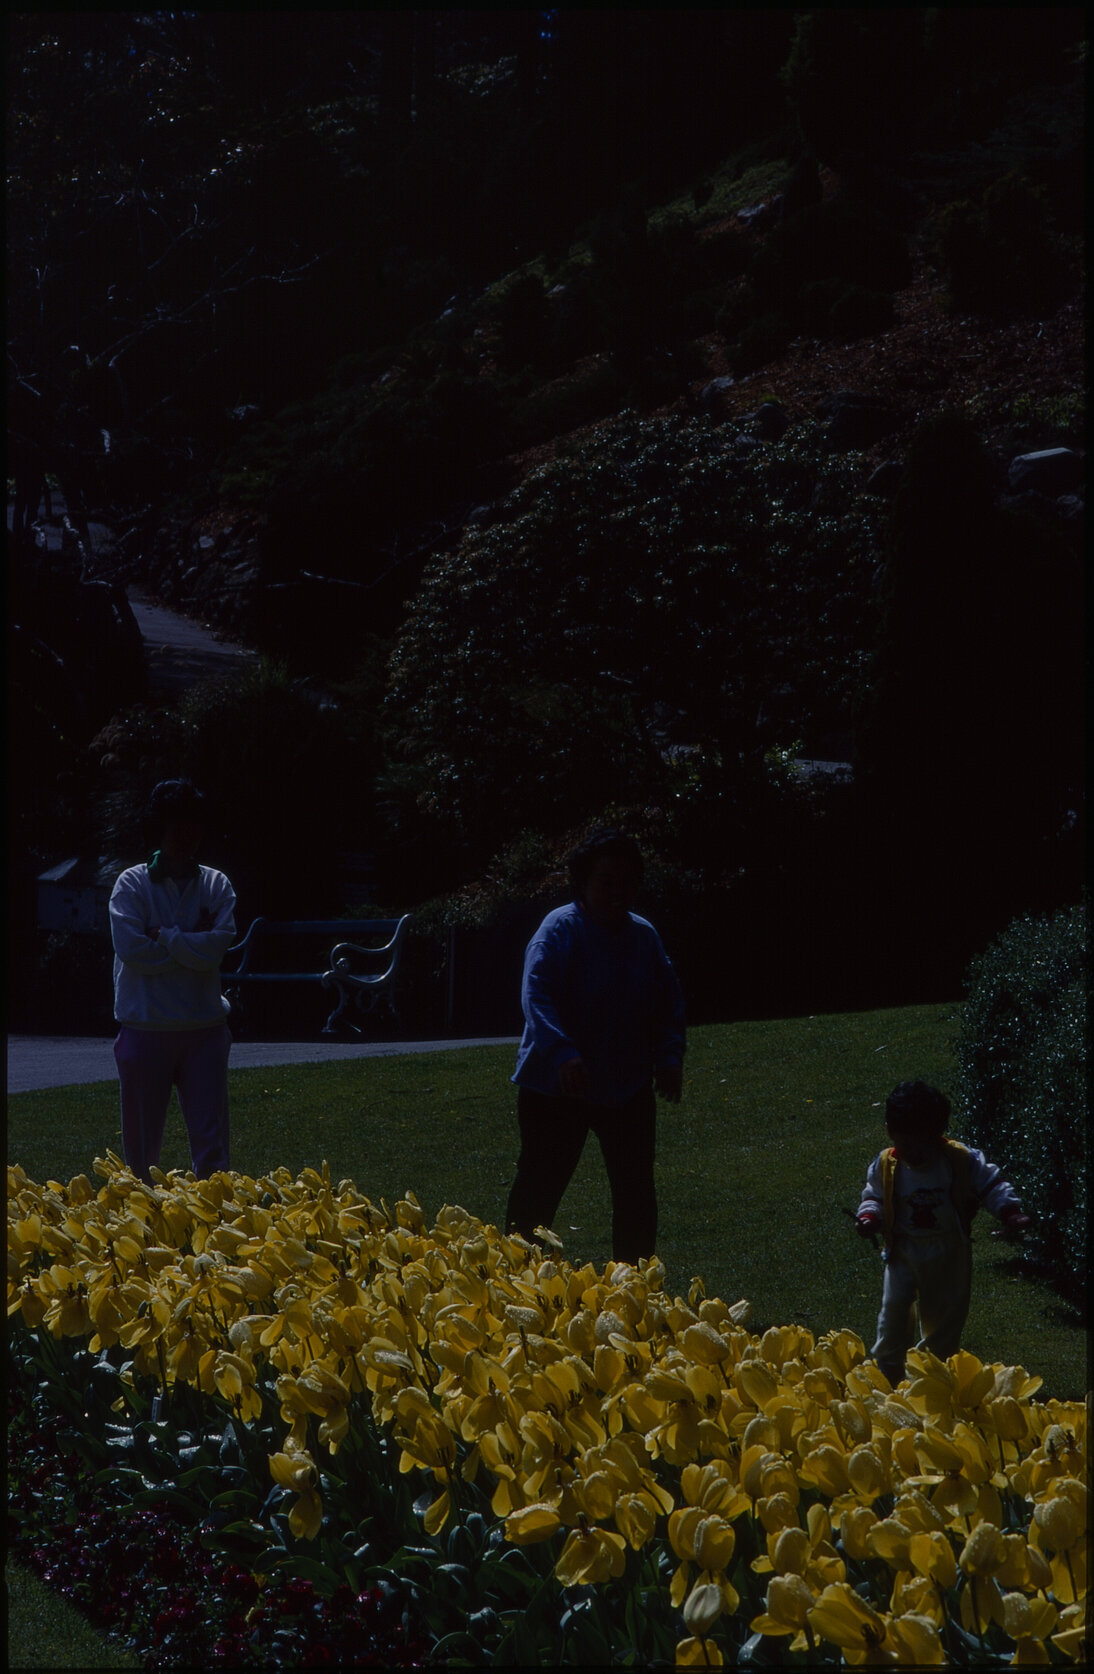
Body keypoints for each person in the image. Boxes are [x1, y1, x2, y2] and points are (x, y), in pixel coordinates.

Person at [505, 829, 685, 1263]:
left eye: (626, 882)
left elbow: (668, 1002)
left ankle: (634, 1287)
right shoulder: (559, 930)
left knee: (636, 1193)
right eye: (606, 882)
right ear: (582, 884)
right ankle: (511, 1281)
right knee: (539, 1190)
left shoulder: (644, 937)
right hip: (557, 1087)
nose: (616, 892)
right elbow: (536, 996)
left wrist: (669, 1057)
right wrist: (563, 1053)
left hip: (626, 1087)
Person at [855, 1080, 1031, 1387]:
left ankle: (930, 1379)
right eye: (905, 1144)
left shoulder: (960, 1160)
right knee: (892, 1315)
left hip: (949, 1252)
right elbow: (874, 1196)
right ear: (889, 1132)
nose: (914, 1153)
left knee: (943, 1323)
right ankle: (888, 1373)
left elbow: (992, 1184)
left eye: (923, 1144)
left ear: (939, 1133)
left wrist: (1009, 1211)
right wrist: (869, 1216)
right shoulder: (887, 1164)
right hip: (902, 1252)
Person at [109, 779, 237, 1183]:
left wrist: (163, 935)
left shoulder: (216, 884)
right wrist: (192, 945)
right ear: (158, 830)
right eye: (176, 825)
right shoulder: (131, 884)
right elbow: (132, 950)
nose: (186, 836)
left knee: (213, 1150)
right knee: (141, 1156)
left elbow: (218, 948)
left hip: (204, 1028)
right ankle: (140, 1232)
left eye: (193, 825)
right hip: (146, 1028)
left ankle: (220, 1227)